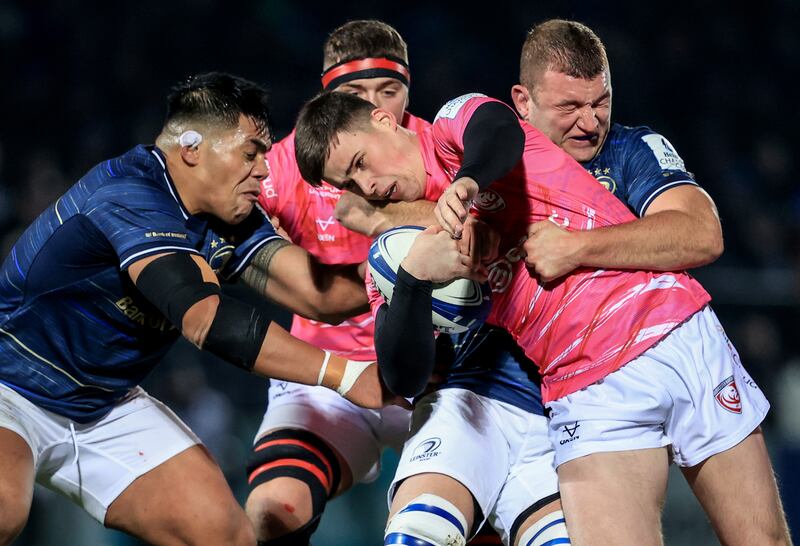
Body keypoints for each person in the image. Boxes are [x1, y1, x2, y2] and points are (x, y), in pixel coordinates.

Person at [293, 89, 791, 545]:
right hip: (581, 384)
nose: (369, 185)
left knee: (758, 539)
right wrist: (413, 282)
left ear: (385, 119)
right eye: (350, 183)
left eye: (360, 162)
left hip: (666, 321)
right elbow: (403, 375)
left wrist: (468, 181)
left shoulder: (451, 131)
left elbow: (498, 130)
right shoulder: (398, 251)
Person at [0, 72, 400, 546]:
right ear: (191, 149)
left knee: (226, 536)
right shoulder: (129, 194)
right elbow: (206, 319)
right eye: (250, 153)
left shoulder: (227, 216)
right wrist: (348, 376)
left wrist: (406, 260)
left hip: (104, 405)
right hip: (13, 389)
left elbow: (319, 295)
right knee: (5, 513)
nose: (265, 170)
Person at [244, 20, 430, 546]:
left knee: (451, 523)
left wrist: (387, 217)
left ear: (406, 91)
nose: (378, 110)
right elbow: (223, 224)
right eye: (355, 94)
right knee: (273, 510)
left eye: (390, 92)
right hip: (330, 378)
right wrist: (255, 240)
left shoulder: (442, 147)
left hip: (435, 378)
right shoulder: (289, 164)